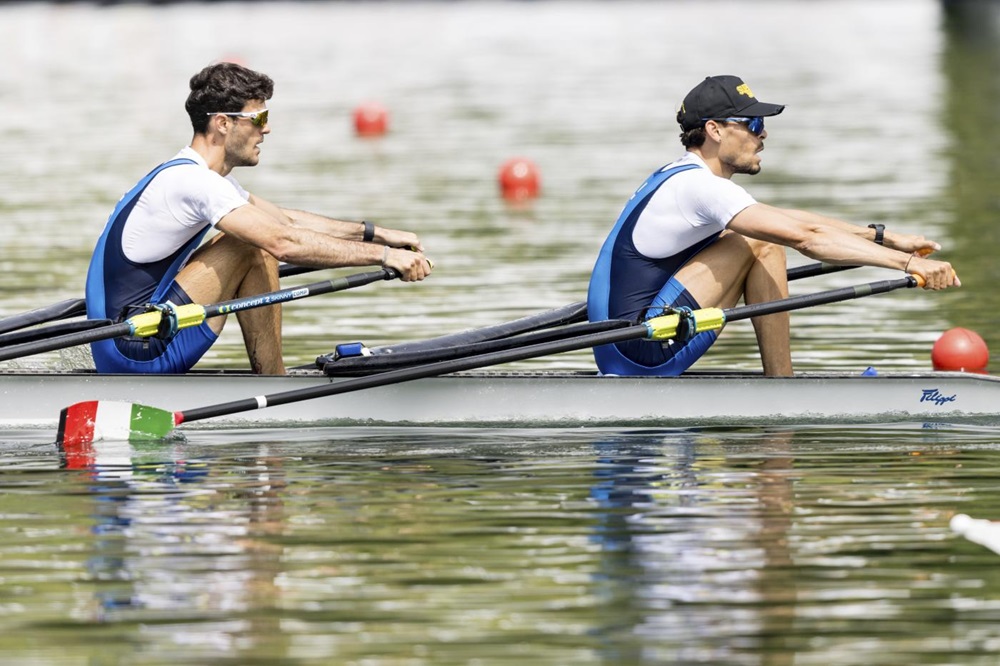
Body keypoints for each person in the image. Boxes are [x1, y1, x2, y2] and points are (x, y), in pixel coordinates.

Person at [587, 74, 959, 377]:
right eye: (753, 124)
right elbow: (806, 238)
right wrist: (908, 265)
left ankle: (780, 383)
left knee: (757, 234)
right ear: (715, 130)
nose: (762, 135)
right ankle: (782, 383)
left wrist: (883, 237)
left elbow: (797, 221)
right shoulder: (701, 187)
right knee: (761, 242)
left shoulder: (678, 175)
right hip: (641, 349)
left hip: (623, 347)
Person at [85, 62, 432, 375]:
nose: (266, 130)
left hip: (136, 334)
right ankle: (274, 380)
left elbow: (285, 222)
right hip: (136, 350)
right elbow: (282, 241)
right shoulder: (194, 182)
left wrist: (377, 234)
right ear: (223, 123)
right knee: (252, 244)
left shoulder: (195, 176)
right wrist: (384, 257)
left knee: (260, 235)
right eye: (259, 119)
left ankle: (272, 377)